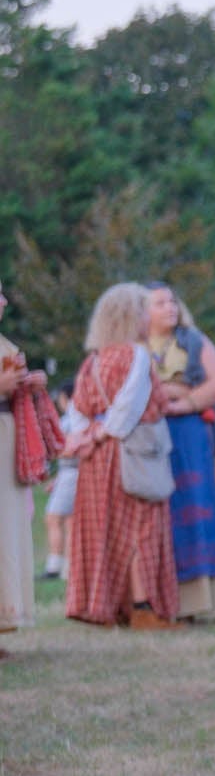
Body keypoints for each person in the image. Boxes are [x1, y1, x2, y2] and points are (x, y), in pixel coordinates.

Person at [66, 282, 180, 630]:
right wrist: (105, 432)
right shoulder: (136, 354)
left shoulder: (93, 362)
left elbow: (77, 412)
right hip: (130, 453)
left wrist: (88, 437)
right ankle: (143, 607)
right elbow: (128, 408)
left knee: (105, 530)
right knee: (142, 527)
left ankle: (107, 604)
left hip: (96, 459)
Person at [145, 283, 215, 620]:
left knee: (195, 510)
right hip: (147, 438)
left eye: (172, 300)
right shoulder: (134, 345)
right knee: (157, 513)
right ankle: (152, 600)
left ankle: (196, 600)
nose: (170, 307)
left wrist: (186, 403)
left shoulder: (194, 340)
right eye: (160, 302)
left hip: (191, 437)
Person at [1, 278, 52, 656]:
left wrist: (29, 383)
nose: (3, 300)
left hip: (6, 437)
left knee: (8, 529)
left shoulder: (7, 346)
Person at [40, 377, 78, 582]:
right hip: (69, 474)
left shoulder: (70, 419)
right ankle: (68, 567)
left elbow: (71, 451)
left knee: (53, 518)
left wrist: (51, 452)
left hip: (71, 474)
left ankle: (55, 565)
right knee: (70, 521)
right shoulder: (75, 418)